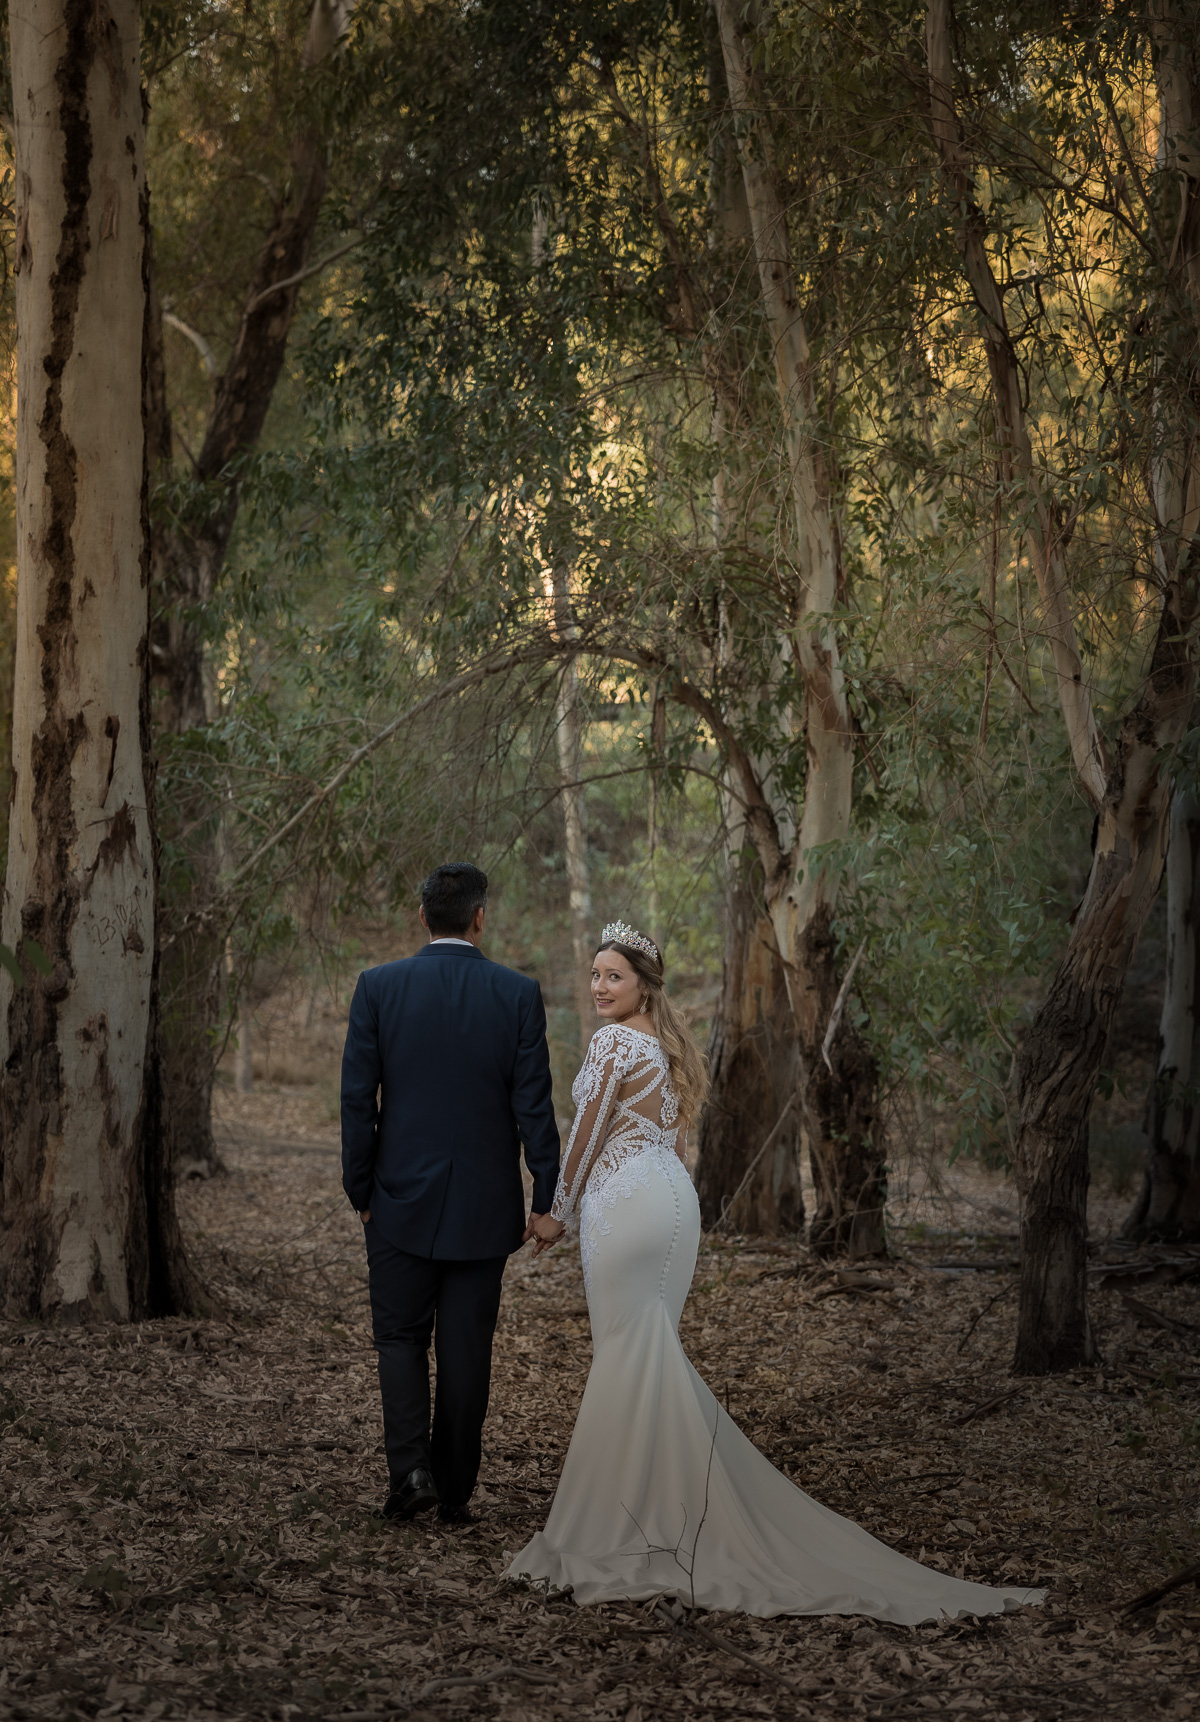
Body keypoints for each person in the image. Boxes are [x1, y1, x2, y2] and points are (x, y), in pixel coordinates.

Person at [507, 921, 1045, 1623]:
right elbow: (655, 1136)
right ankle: (657, 1515)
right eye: (595, 975)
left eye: (613, 976)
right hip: (669, 1201)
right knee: (648, 1357)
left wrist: (556, 1212)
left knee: (628, 1356)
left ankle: (624, 1528)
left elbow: (585, 1132)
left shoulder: (615, 1042)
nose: (599, 987)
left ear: (643, 983)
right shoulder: (663, 1044)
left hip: (629, 1208)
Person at [341, 863, 560, 1524]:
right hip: (484, 1205)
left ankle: (411, 1474)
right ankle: (455, 1490)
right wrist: (545, 1195)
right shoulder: (517, 993)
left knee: (399, 1339)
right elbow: (534, 1108)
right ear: (479, 917)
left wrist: (361, 1189)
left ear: (422, 916)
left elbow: (358, 1101)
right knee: (467, 1350)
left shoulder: (378, 987)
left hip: (397, 1199)